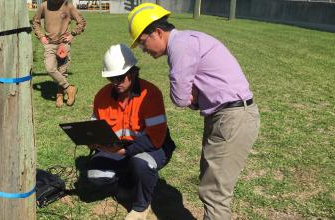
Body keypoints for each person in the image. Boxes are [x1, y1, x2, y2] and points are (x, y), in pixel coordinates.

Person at [128, 3, 261, 220]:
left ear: (158, 33)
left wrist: (191, 97)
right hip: (227, 116)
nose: (144, 50)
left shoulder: (180, 47)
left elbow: (180, 97)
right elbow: (190, 94)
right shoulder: (188, 40)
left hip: (231, 118)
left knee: (214, 193)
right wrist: (195, 97)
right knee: (211, 184)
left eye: (143, 43)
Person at [87, 44, 176, 220]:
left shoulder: (150, 94)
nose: (115, 83)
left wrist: (124, 151)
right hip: (117, 147)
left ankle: (141, 207)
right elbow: (94, 125)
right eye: (111, 78)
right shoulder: (102, 96)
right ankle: (129, 181)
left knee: (141, 163)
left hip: (152, 146)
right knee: (95, 175)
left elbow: (156, 138)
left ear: (133, 72)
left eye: (120, 78)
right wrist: (93, 140)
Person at [32, 0, 86, 107]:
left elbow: (81, 22)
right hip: (50, 44)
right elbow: (35, 22)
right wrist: (41, 36)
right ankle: (69, 88)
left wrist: (72, 34)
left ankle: (60, 95)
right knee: (50, 68)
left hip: (63, 44)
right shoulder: (43, 6)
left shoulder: (68, 5)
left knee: (62, 71)